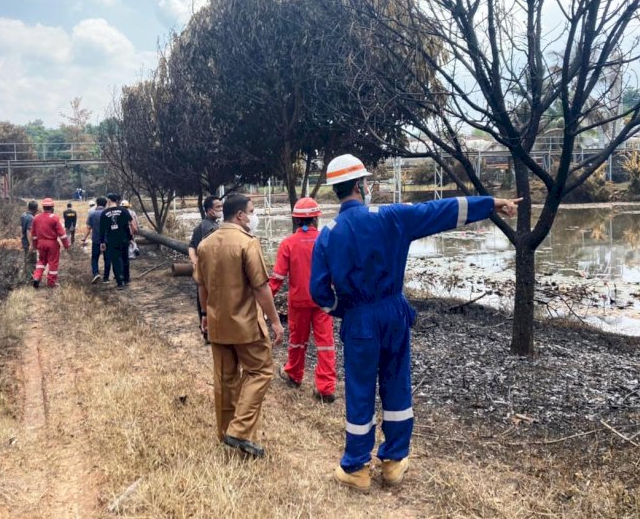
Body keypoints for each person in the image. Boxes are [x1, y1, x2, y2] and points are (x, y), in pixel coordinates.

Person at [310, 154, 521, 492]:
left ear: (335, 190)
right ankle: (393, 463)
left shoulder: (328, 235)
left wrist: (343, 309)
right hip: (393, 312)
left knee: (360, 390)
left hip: (359, 319)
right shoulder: (391, 217)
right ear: (362, 185)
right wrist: (491, 204)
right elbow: (441, 211)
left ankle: (356, 468)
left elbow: (318, 291)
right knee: (396, 384)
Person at [195, 193, 284, 458]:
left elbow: (201, 285)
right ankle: (240, 430)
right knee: (260, 372)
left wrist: (204, 314)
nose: (254, 216)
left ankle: (226, 434)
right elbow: (260, 287)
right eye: (252, 211)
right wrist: (276, 322)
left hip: (217, 323)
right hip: (246, 324)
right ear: (241, 215)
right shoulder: (248, 243)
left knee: (225, 380)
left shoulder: (205, 244)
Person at [269, 197, 336, 403]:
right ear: (316, 218)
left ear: (297, 220)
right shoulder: (328, 239)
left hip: (298, 302)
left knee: (297, 341)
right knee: (325, 343)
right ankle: (326, 388)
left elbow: (277, 277)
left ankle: (294, 374)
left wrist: (263, 299)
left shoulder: (288, 243)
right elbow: (339, 271)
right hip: (323, 302)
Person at [188, 195, 223, 343]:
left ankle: (206, 331)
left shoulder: (201, 225)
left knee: (202, 301)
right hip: (212, 273)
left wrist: (195, 261)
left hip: (202, 273)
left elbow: (191, 246)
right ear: (210, 210)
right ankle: (211, 332)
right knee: (212, 302)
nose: (221, 210)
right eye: (218, 207)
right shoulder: (212, 229)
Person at [31, 198, 71, 288]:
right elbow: (62, 234)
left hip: (40, 243)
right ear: (52, 207)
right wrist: (66, 245)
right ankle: (51, 283)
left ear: (43, 207)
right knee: (53, 263)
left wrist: (35, 245)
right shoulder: (54, 218)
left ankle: (36, 277)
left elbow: (33, 234)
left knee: (41, 261)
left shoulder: (36, 218)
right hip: (52, 244)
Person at [100, 193, 134, 290]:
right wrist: (130, 238)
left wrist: (102, 242)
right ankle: (126, 278)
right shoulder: (123, 210)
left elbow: (102, 229)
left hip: (112, 240)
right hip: (124, 238)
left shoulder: (104, 213)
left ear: (109, 200)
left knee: (116, 260)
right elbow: (128, 225)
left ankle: (120, 281)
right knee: (125, 258)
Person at [82, 197, 110, 284]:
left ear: (97, 204)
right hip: (108, 240)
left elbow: (88, 228)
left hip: (96, 240)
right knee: (107, 258)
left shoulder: (92, 214)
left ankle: (96, 273)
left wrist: (84, 238)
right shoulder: (108, 214)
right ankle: (106, 277)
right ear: (105, 204)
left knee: (94, 258)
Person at [20, 200, 39, 283]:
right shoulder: (31, 218)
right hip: (28, 242)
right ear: (36, 209)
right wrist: (31, 244)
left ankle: (24, 277)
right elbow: (29, 231)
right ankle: (30, 279)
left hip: (24, 240)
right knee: (31, 261)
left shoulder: (23, 215)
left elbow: (22, 229)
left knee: (26, 259)